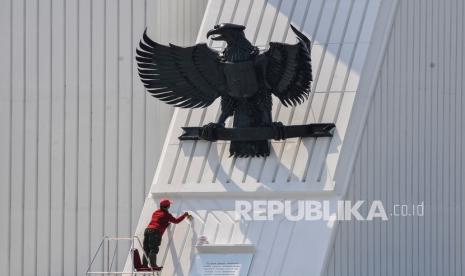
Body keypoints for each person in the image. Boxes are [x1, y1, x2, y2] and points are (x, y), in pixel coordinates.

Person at [142, 198, 189, 271]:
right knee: (153, 249)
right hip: (155, 232)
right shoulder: (167, 215)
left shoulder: (155, 212)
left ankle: (144, 266)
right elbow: (176, 221)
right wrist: (184, 215)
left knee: (146, 249)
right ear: (167, 206)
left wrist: (165, 224)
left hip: (147, 230)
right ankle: (153, 266)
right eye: (169, 205)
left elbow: (158, 220)